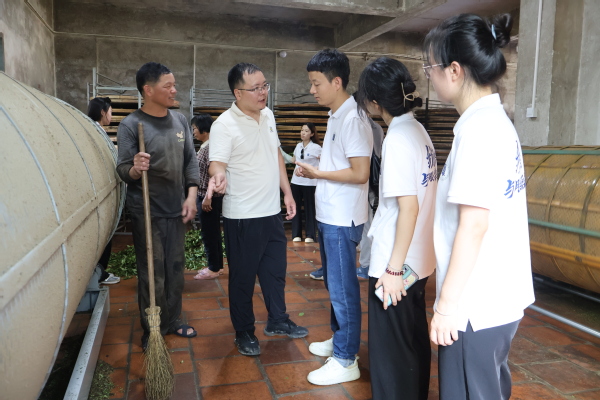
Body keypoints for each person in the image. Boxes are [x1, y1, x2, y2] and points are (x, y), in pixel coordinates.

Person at [424, 14, 534, 399]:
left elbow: (473, 226)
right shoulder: (493, 122)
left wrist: (445, 306)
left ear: (454, 70)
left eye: (430, 67)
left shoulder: (478, 132)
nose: (428, 76)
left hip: (475, 306)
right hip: (496, 297)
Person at [207, 63, 308, 357]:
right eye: (255, 88)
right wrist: (218, 175)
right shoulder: (224, 124)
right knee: (243, 277)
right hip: (243, 215)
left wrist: (287, 193)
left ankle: (278, 320)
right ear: (238, 93)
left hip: (271, 212)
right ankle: (244, 331)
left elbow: (275, 155)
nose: (263, 92)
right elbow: (217, 162)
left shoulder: (268, 115)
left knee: (275, 272)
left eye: (265, 86)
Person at [356, 56, 436, 400]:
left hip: (397, 263)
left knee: (391, 355)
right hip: (418, 259)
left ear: (375, 102)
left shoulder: (399, 139)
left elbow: (408, 208)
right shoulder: (417, 130)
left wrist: (392, 269)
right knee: (412, 341)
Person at [296, 49, 373, 385]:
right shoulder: (335, 115)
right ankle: (340, 338)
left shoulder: (353, 119)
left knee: (343, 290)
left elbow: (360, 172)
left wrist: (319, 173)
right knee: (334, 284)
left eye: (316, 83)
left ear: (337, 82)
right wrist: (318, 172)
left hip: (343, 217)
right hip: (331, 213)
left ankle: (345, 358)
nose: (312, 90)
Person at [116, 62, 200, 349]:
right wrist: (135, 169)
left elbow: (190, 161)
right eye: (168, 86)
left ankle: (173, 319)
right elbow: (122, 170)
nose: (174, 90)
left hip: (176, 209)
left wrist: (191, 196)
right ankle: (153, 328)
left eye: (174, 85)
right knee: (152, 272)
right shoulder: (131, 125)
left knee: (175, 269)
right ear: (148, 90)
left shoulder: (180, 121)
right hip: (147, 210)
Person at [88, 97, 120, 285]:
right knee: (104, 233)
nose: (111, 116)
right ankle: (99, 273)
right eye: (110, 112)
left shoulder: (92, 129)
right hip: (100, 191)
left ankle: (99, 271)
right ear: (103, 112)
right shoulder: (96, 132)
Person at [191, 113, 224, 280]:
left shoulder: (210, 148)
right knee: (213, 232)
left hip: (208, 197)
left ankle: (213, 268)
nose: (193, 132)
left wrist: (208, 197)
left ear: (204, 129)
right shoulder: (207, 146)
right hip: (207, 196)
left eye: (195, 128)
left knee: (209, 233)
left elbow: (214, 175)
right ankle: (217, 265)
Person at [355, 112, 384, 280]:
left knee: (366, 224)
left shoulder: (361, 127)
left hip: (362, 181)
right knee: (368, 221)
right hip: (373, 181)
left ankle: (366, 265)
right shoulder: (377, 127)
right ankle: (367, 262)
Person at [291, 122, 321, 243]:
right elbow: (294, 160)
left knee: (310, 209)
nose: (303, 133)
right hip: (296, 181)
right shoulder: (298, 146)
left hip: (310, 183)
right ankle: (296, 234)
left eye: (306, 131)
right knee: (295, 207)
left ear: (312, 134)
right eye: (302, 130)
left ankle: (310, 235)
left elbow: (324, 162)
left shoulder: (316, 148)